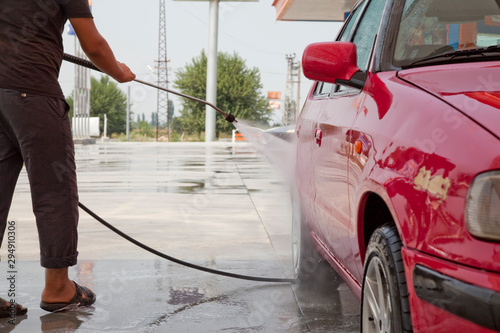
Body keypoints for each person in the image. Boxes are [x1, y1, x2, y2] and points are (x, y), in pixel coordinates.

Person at [0, 0, 135, 314]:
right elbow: (95, 45)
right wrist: (119, 72)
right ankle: (59, 287)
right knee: (54, 191)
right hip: (31, 92)